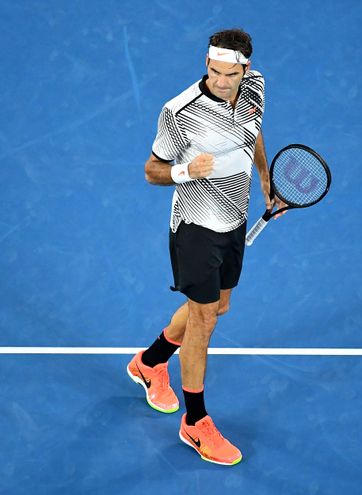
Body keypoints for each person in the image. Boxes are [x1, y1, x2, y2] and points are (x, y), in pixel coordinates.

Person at [127, 28, 284, 466]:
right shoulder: (180, 112)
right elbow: (150, 171)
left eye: (228, 73)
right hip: (195, 226)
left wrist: (268, 181)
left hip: (234, 219)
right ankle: (195, 422)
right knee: (203, 321)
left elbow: (253, 132)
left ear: (244, 70)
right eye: (212, 71)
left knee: (217, 308)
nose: (218, 80)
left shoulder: (255, 88)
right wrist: (185, 171)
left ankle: (149, 362)